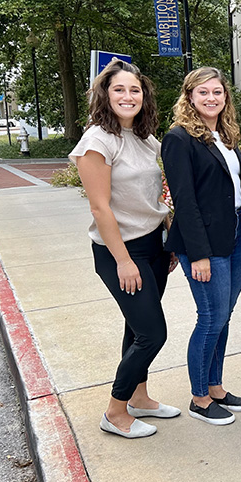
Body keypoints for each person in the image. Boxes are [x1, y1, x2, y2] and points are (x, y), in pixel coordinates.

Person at [71, 59, 179, 439]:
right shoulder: (96, 142)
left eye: (135, 90)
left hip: (153, 244)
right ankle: (115, 411)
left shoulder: (147, 138)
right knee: (153, 333)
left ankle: (140, 397)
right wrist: (123, 260)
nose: (128, 96)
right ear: (105, 94)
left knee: (137, 328)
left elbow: (155, 194)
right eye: (119, 89)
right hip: (121, 250)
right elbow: (100, 208)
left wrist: (169, 241)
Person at [161, 67, 241, 426]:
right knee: (211, 318)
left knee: (224, 316)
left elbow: (240, 194)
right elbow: (184, 202)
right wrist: (199, 255)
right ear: (189, 97)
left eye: (217, 92)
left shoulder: (225, 135)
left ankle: (216, 387)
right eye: (203, 93)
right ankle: (199, 397)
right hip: (203, 244)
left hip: (234, 237)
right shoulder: (179, 138)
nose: (211, 98)